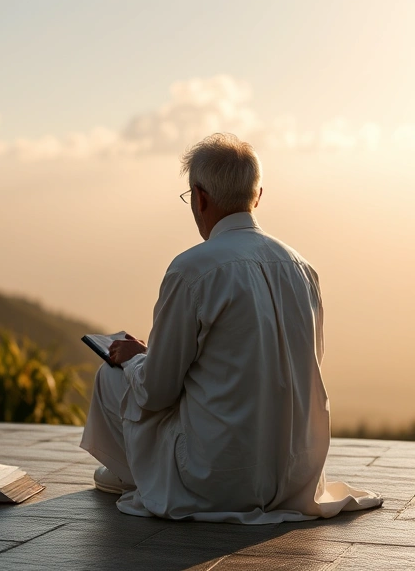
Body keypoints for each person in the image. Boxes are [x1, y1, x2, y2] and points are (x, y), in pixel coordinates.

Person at [80, 133, 382, 523]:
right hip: (295, 476)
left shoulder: (192, 269)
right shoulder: (302, 268)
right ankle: (143, 469)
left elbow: (157, 391)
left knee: (112, 373)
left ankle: (133, 473)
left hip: (215, 478)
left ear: (200, 197)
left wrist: (141, 359)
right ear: (258, 197)